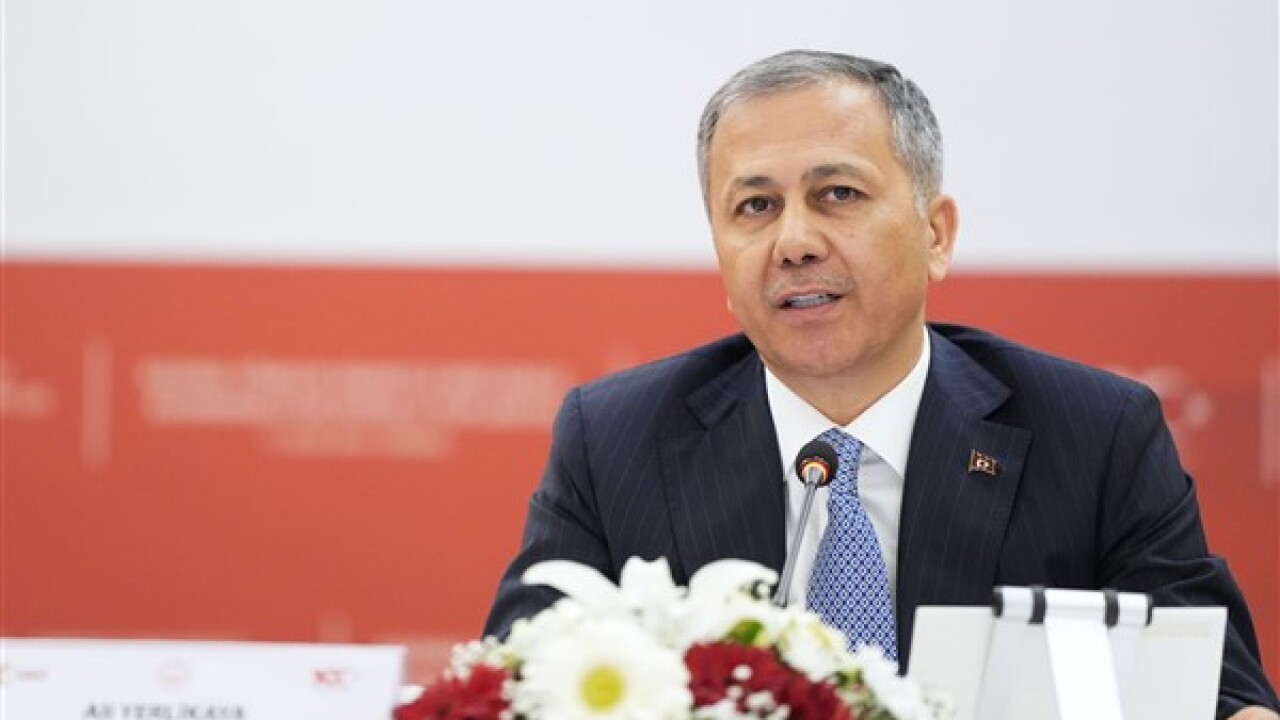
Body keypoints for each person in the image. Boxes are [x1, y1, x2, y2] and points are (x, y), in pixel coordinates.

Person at [483, 50, 1279, 719]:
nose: (794, 242)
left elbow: (1221, 696)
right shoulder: (615, 439)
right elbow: (516, 686)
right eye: (756, 206)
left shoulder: (1096, 434)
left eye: (838, 194)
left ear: (936, 234)